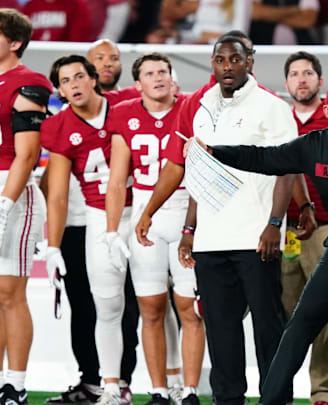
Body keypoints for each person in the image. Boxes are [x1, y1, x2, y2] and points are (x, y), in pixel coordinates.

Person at [190, 73, 328, 405]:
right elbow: (264, 158)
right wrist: (216, 151)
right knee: (299, 325)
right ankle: (272, 400)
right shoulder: (314, 146)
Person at [135, 34, 297, 405]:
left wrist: (275, 224)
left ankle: (276, 399)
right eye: (220, 60)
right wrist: (190, 229)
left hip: (256, 237)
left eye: (235, 60)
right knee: (221, 330)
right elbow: (198, 173)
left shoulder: (272, 107)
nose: (227, 66)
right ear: (213, 64)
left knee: (268, 327)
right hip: (210, 240)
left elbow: (288, 169)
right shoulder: (202, 105)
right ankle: (227, 400)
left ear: (250, 62)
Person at [104, 52, 205, 405]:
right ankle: (159, 390)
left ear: (172, 77)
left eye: (163, 70)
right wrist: (112, 229)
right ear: (138, 84)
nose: (158, 77)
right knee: (150, 308)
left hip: (186, 210)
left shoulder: (191, 107)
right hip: (146, 212)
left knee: (190, 308)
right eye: (150, 72)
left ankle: (190, 390)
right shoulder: (123, 114)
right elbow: (117, 181)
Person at [42, 55, 134, 405]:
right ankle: (110, 386)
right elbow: (59, 193)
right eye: (66, 81)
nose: (74, 85)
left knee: (157, 303)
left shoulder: (125, 108)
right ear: (61, 91)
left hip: (141, 210)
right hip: (98, 216)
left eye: (79, 76)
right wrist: (52, 245)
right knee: (105, 304)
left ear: (94, 79)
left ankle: (169, 386)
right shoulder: (60, 126)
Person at [282, 50, 328, 405]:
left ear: (320, 82)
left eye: (308, 73)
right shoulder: (277, 119)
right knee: (283, 313)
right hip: (281, 229)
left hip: (325, 227)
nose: (301, 79)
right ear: (287, 82)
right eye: (294, 74)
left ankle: (325, 391)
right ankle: (282, 388)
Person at [0, 8, 52, 405]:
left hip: (12, 190)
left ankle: (14, 384)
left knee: (9, 293)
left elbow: (28, 153)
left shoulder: (29, 82)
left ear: (15, 42)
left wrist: (4, 204)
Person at [87, 39, 142, 104]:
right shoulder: (76, 103)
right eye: (100, 58)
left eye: (114, 59)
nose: (108, 64)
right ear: (87, 64)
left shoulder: (136, 102)